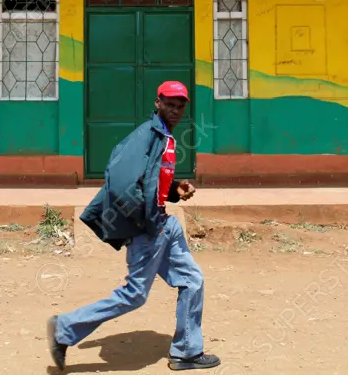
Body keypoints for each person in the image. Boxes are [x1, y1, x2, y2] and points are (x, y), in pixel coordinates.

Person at [46, 81, 221, 371]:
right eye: (170, 104)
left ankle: (187, 351)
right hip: (150, 229)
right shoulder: (147, 135)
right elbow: (120, 181)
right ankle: (64, 328)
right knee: (134, 296)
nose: (176, 110)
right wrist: (143, 220)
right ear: (157, 103)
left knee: (192, 280)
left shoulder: (164, 136)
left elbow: (150, 181)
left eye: (180, 106)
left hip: (167, 224)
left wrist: (175, 188)